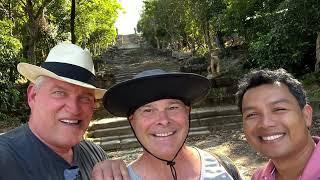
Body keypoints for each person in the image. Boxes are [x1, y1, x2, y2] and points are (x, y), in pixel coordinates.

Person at [0, 42, 128, 180]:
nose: (74, 108)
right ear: (33, 96)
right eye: (59, 93)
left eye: (85, 98)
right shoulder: (5, 159)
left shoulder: (96, 155)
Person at [102, 69, 243, 180]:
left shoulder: (223, 168)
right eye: (148, 110)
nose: (163, 120)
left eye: (173, 107)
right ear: (132, 120)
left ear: (188, 111)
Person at [236, 68, 320, 180]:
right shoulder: (258, 177)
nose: (266, 123)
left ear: (306, 116)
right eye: (252, 114)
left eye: (279, 109)